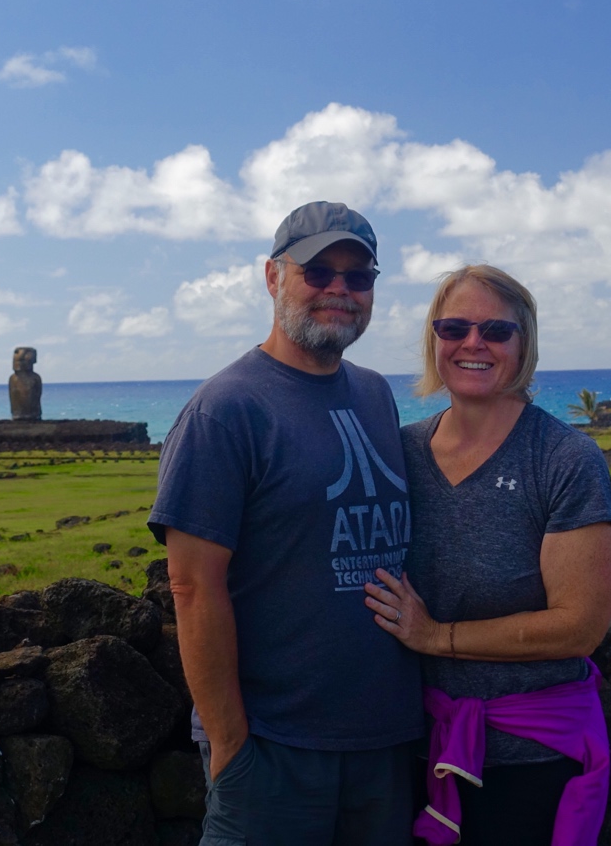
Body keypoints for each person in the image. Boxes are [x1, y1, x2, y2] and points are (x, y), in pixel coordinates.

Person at [149, 201, 423, 846]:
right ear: (273, 277)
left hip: (384, 739)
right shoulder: (226, 409)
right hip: (274, 744)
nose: (340, 290)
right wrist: (230, 743)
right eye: (319, 270)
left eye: (359, 278)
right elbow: (192, 587)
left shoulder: (377, 393)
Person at [363, 265, 611, 846]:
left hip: (533, 759)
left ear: (523, 344)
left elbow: (579, 627)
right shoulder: (399, 452)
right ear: (434, 339)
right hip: (421, 746)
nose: (473, 343)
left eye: (496, 331)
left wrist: (438, 637)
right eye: (453, 327)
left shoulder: (564, 459)